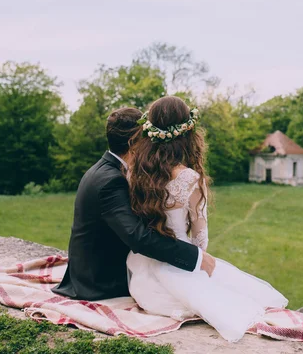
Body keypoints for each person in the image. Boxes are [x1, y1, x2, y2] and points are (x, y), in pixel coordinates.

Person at [126, 96, 289, 342]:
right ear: (188, 134)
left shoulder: (135, 171)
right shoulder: (189, 178)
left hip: (140, 273)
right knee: (240, 299)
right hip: (180, 266)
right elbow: (200, 241)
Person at [52, 107, 216, 301]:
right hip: (100, 282)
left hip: (86, 273)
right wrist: (195, 257)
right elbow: (138, 237)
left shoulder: (103, 170)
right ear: (135, 143)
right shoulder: (112, 180)